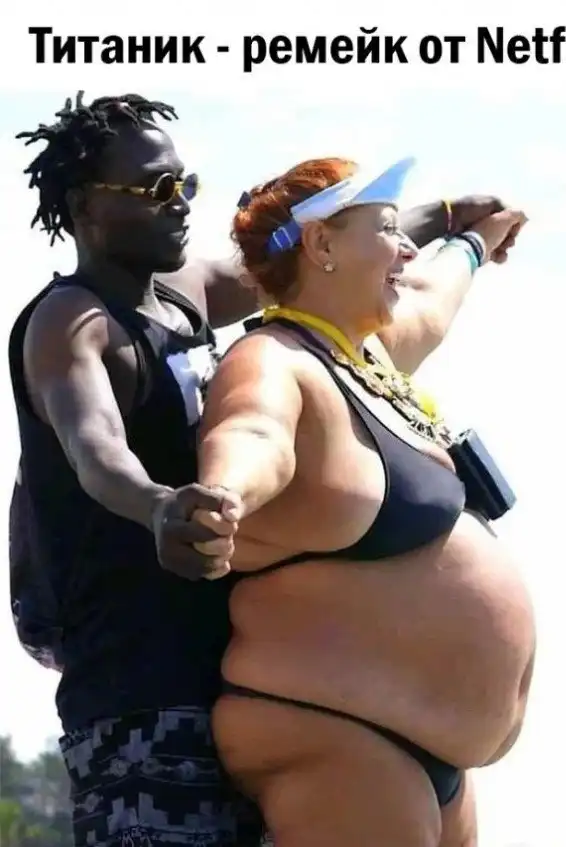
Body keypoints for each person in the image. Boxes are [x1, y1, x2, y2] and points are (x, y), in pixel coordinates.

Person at [8, 93, 507, 847]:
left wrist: (445, 218)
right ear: (84, 206)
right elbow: (95, 448)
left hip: (235, 680)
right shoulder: (69, 324)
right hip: (140, 695)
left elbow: (310, 247)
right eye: (156, 188)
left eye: (186, 184)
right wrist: (158, 505)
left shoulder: (188, 293)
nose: (180, 203)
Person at [194, 156, 534, 847]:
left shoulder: (369, 356)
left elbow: (432, 296)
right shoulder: (273, 359)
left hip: (426, 748)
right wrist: (224, 494)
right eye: (386, 229)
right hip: (337, 731)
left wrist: (476, 238)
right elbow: (253, 432)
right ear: (321, 244)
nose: (406, 248)